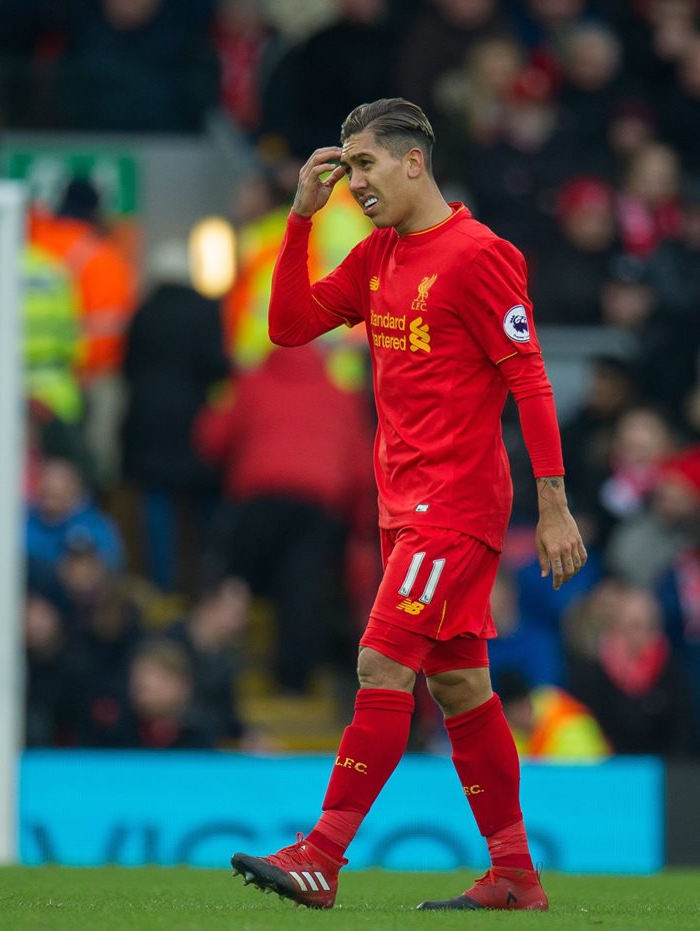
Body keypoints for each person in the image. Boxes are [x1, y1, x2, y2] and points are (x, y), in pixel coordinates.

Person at [228, 98, 587, 912]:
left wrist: (554, 504)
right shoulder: (380, 256)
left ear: (413, 161)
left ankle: (322, 853)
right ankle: (514, 872)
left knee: (380, 662)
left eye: (365, 165)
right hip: (403, 507)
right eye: (347, 166)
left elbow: (530, 379)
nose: (354, 182)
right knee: (460, 688)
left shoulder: (480, 255)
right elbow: (287, 326)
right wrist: (298, 222)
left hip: (455, 506)